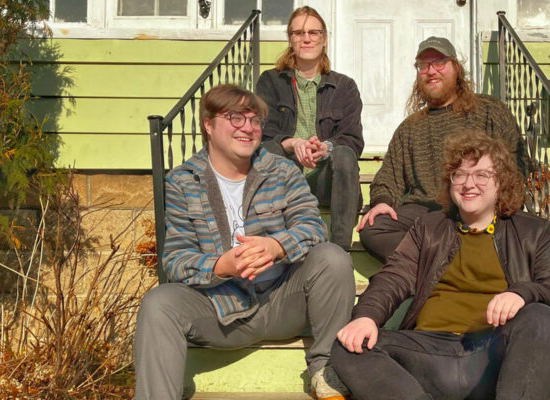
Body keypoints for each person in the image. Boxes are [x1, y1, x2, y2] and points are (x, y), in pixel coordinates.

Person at [134, 84, 354, 400]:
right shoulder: (183, 181)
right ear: (208, 125)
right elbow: (176, 259)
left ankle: (326, 371)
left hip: (284, 301)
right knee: (158, 303)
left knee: (333, 257)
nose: (248, 128)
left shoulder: (282, 170)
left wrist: (277, 246)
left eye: (255, 120)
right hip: (220, 309)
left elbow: (313, 226)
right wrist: (221, 266)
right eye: (236, 118)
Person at [332, 130, 550, 400]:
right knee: (349, 345)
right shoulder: (429, 227)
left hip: (491, 354)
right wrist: (366, 316)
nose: (469, 184)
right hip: (428, 353)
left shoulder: (533, 231)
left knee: (542, 319)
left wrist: (522, 293)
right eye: (460, 175)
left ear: (501, 182)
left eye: (481, 175)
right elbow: (393, 278)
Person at [358, 36, 529, 263]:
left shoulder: (489, 110)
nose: (431, 71)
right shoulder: (410, 128)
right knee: (374, 230)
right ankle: (450, 264)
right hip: (427, 212)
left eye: (439, 63)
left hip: (479, 203)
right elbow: (388, 177)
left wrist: (499, 201)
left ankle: (437, 264)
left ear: (456, 68)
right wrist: (382, 202)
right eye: (423, 65)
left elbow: (517, 161)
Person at [256, 6, 364, 250]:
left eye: (313, 33)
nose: (306, 39)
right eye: (298, 33)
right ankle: (272, 247)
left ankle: (340, 250)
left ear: (324, 40)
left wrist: (325, 148)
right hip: (284, 176)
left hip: (326, 179)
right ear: (290, 39)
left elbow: (353, 138)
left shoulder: (344, 86)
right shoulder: (270, 81)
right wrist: (293, 143)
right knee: (268, 151)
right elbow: (263, 134)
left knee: (344, 154)